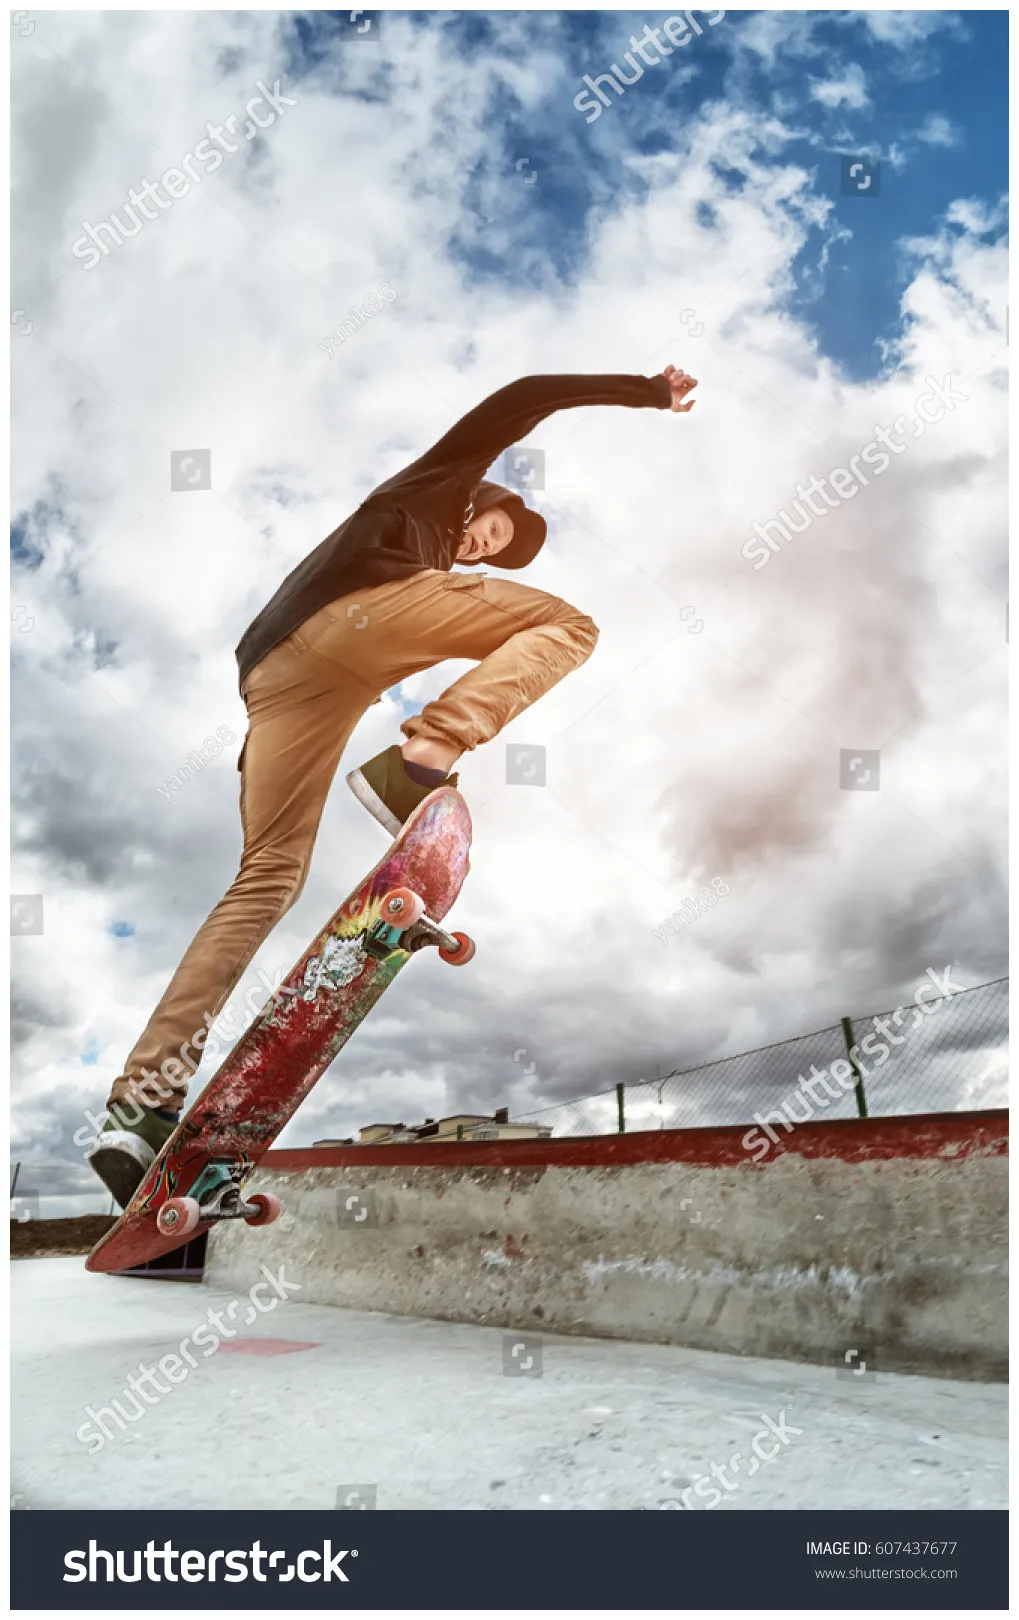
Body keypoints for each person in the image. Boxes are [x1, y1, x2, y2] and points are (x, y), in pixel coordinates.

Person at [88, 364, 698, 1204]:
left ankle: (141, 1104)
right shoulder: (435, 484)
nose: (482, 544)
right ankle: (420, 756)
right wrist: (645, 391)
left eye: (489, 547)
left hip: (278, 680)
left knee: (268, 874)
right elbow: (521, 398)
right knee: (567, 624)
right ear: (481, 497)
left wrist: (257, 760)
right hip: (356, 620)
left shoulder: (431, 553)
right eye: (490, 528)